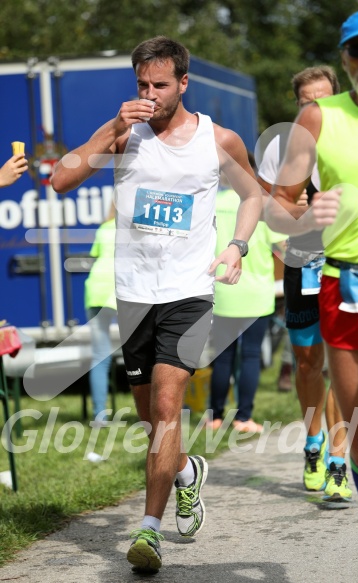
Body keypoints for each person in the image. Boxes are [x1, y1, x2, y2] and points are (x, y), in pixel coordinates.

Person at [51, 36, 262, 573]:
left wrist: (236, 246)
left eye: (160, 85)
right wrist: (113, 126)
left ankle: (148, 532)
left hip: (190, 291)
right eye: (142, 84)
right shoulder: (127, 135)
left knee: (168, 409)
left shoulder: (219, 139)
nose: (150, 94)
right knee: (151, 420)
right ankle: (187, 470)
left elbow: (254, 194)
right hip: (134, 294)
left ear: (183, 83)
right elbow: (60, 179)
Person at [264, 7, 358, 582]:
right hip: (347, 282)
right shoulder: (317, 119)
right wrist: (309, 211)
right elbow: (278, 207)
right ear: (344, 59)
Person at [258, 66, 352, 502]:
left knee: (338, 360)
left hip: (345, 256)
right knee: (308, 360)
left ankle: (338, 457)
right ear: (296, 106)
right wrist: (287, 222)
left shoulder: (351, 136)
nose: (315, 108)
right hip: (300, 257)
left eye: (323, 99)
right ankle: (312, 440)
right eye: (306, 102)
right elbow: (265, 204)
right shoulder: (281, 146)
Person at [207, 152, 285, 433]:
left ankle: (214, 417)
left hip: (223, 288)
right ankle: (244, 418)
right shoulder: (265, 205)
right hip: (257, 294)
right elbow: (283, 250)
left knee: (223, 355)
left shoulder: (213, 202)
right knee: (250, 355)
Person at [84, 217, 116, 426]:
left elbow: (96, 256)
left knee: (100, 356)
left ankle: (99, 416)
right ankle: (153, 416)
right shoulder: (139, 225)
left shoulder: (105, 226)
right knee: (144, 354)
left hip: (95, 289)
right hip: (122, 287)